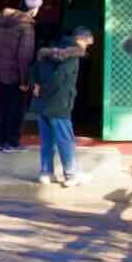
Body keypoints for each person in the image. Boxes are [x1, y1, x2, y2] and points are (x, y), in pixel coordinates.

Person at [31, 27, 93, 186]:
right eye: (87, 43)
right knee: (65, 140)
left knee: (47, 141)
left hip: (41, 104)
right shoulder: (72, 56)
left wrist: (37, 87)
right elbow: (59, 77)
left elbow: (34, 70)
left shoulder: (47, 52)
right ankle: (71, 175)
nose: (86, 47)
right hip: (59, 104)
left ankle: (46, 173)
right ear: (80, 39)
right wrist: (44, 90)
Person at [0, 0, 40, 151]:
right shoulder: (26, 26)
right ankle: (12, 143)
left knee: (5, 106)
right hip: (17, 76)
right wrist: (24, 81)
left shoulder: (0, 21)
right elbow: (24, 56)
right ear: (34, 10)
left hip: (1, 73)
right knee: (17, 109)